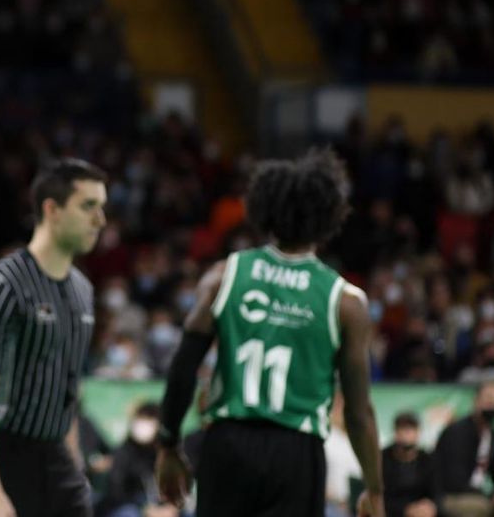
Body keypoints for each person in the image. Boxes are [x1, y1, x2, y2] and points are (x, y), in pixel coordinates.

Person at [155, 148, 385, 517]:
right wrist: (374, 489)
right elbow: (359, 411)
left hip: (228, 442)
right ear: (329, 217)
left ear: (265, 211)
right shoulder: (345, 301)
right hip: (297, 451)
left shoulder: (224, 276)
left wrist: (168, 444)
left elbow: (183, 365)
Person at [0, 158, 107, 517]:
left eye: (101, 207)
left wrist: (74, 467)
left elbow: (69, 395)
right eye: (88, 206)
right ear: (52, 210)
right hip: (3, 457)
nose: (100, 220)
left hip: (58, 460)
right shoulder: (0, 285)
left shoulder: (83, 291)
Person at [433, 380, 494, 517]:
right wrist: (490, 497)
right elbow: (454, 481)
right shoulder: (456, 432)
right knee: (479, 507)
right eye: (489, 398)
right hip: (451, 496)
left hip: (478, 496)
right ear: (476, 401)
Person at [382, 411, 438, 517]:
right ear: (395, 432)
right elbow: (380, 497)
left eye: (411, 428)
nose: (407, 433)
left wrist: (431, 506)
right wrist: (406, 510)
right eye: (402, 428)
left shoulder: (427, 460)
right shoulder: (383, 459)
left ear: (418, 432)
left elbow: (436, 492)